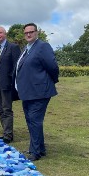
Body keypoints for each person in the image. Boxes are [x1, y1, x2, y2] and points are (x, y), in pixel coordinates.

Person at [14, 23, 59, 161]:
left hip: (40, 91)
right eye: (26, 32)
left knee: (34, 120)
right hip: (27, 92)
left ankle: (35, 152)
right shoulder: (26, 49)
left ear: (36, 32)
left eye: (31, 32)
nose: (28, 34)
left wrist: (49, 81)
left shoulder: (42, 46)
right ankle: (40, 148)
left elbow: (53, 67)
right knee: (31, 120)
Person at [0, 26, 21, 143]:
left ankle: (8, 135)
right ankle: (5, 132)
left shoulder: (13, 47)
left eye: (0, 33)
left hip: (6, 83)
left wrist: (12, 81)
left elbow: (17, 66)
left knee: (6, 109)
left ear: (5, 34)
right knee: (0, 109)